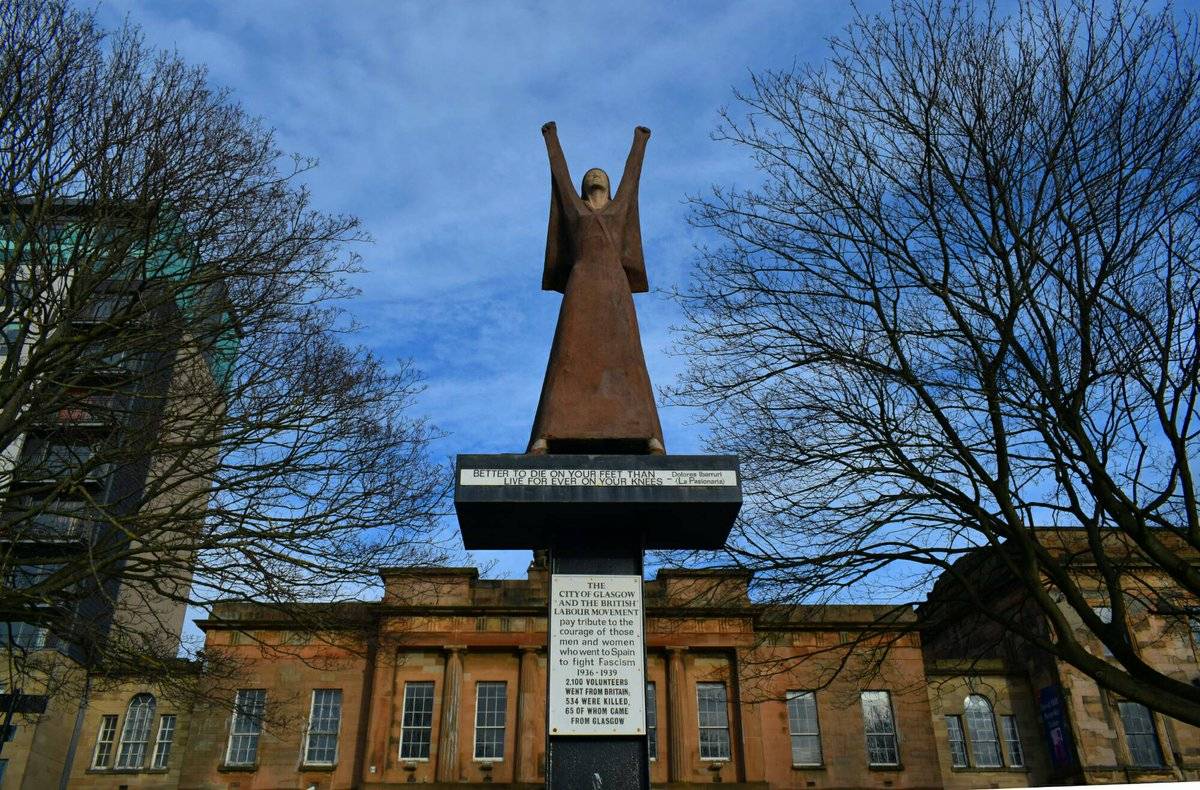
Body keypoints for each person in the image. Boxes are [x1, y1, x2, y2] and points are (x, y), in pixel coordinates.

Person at [528, 123, 665, 455]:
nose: (595, 176)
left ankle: (650, 436)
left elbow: (633, 179)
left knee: (629, 357)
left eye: (600, 174)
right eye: (590, 174)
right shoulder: (575, 210)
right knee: (566, 357)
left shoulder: (619, 209)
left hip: (615, 291)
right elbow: (560, 178)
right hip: (581, 289)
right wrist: (552, 140)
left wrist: (640, 141)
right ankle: (545, 435)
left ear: (609, 183)